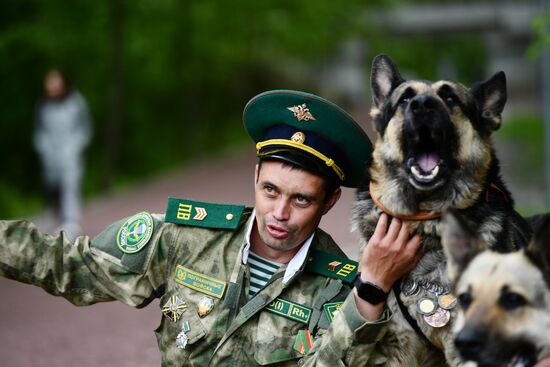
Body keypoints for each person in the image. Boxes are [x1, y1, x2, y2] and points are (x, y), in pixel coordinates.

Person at [1, 89, 420, 366]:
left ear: (329, 201)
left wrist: (371, 290)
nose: (279, 212)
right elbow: (67, 265)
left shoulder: (342, 290)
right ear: (255, 177)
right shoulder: (187, 239)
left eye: (301, 199)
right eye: (271, 190)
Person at [33, 68, 93, 239]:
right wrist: (43, 147)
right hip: (51, 155)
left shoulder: (76, 102)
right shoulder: (43, 105)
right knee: (53, 186)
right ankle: (55, 215)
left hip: (71, 153)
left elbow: (85, 127)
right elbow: (40, 130)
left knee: (70, 186)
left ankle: (71, 222)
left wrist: (77, 145)